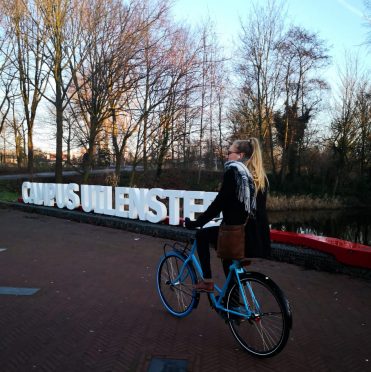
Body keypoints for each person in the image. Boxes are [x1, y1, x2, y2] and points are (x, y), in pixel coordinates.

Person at [185, 138, 271, 292]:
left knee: (202, 235)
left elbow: (219, 203)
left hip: (237, 233)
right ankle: (232, 303)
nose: (227, 155)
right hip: (256, 236)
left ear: (240, 155)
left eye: (229, 152)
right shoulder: (259, 176)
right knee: (228, 260)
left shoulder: (235, 173)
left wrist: (197, 223)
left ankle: (207, 281)